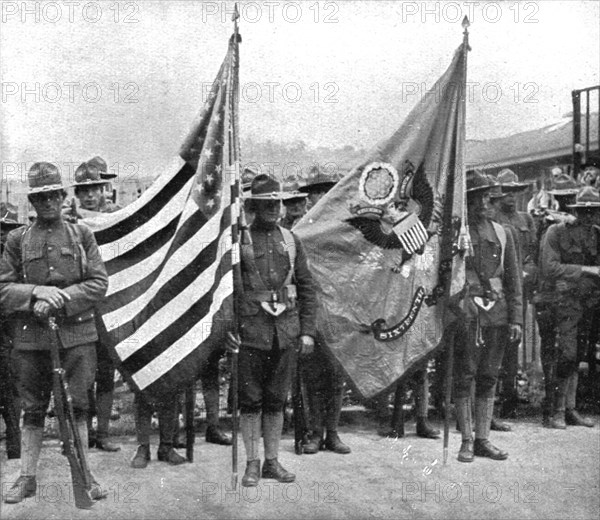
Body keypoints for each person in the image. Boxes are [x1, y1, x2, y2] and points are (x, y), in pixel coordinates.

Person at [0, 162, 109, 503]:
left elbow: (98, 282)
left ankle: (85, 474)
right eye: (40, 197)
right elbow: (3, 289)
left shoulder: (81, 235)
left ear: (62, 196)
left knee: (77, 407)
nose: (47, 202)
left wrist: (60, 298)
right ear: (32, 202)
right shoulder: (17, 240)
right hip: (31, 339)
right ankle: (27, 477)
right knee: (31, 409)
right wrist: (34, 294)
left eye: (52, 195)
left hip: (76, 336)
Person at [226, 174, 316, 487]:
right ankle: (252, 462)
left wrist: (307, 331)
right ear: (252, 205)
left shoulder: (291, 240)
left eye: (276, 203)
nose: (272, 209)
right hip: (251, 331)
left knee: (277, 400)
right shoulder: (238, 242)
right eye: (265, 203)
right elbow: (227, 290)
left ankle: (272, 461)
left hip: (286, 332)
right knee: (250, 401)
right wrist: (228, 328)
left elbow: (306, 287)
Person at [453, 171, 522, 463]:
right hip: (467, 313)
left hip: (496, 313)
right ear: (467, 200)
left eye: (488, 197)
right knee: (465, 375)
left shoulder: (502, 232)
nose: (485, 202)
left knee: (489, 376)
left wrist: (516, 318)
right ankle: (466, 440)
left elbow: (513, 279)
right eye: (479, 197)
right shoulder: (457, 232)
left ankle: (483, 439)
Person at [537, 186, 600, 429]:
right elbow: (549, 268)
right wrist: (586, 271)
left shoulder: (596, 235)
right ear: (575, 211)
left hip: (587, 303)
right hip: (560, 303)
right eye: (584, 212)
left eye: (594, 212)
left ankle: (570, 409)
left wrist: (578, 275)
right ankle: (555, 411)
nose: (589, 217)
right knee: (565, 355)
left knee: (578, 356)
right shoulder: (556, 232)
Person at [70, 162, 122, 452]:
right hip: (83, 304)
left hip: (111, 303)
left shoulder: (116, 217)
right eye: (82, 191)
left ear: (103, 188)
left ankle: (103, 433)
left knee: (106, 371)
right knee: (82, 373)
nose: (89, 196)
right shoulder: (71, 222)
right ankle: (83, 434)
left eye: (93, 189)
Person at [490, 169, 535, 424]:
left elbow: (532, 257)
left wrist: (526, 273)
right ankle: (490, 403)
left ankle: (509, 400)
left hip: (518, 288)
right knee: (492, 347)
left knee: (512, 346)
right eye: (506, 192)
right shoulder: (492, 218)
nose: (510, 198)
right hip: (496, 288)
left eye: (514, 193)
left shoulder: (526, 220)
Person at [0, 214, 24, 460]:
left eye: (8, 229)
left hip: (11, 331)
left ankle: (14, 444)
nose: (3, 234)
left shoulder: (18, 260)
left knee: (11, 389)